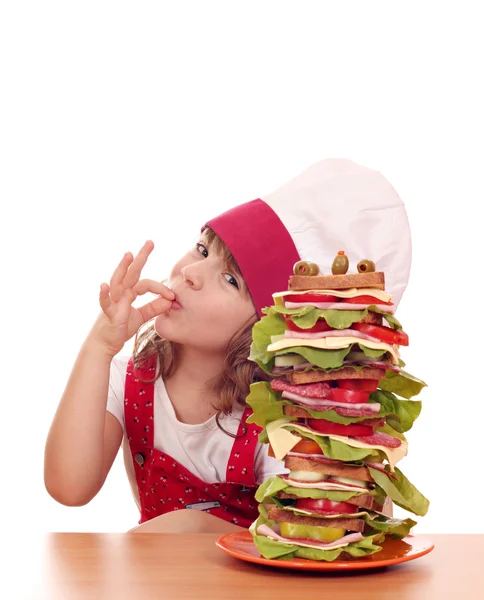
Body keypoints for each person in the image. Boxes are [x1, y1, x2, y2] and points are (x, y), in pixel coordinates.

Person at [44, 158, 411, 533]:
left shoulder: (282, 417)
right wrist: (99, 346)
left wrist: (193, 528)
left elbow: (321, 534)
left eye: (231, 280)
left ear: (266, 324)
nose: (190, 272)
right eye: (202, 250)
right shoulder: (130, 381)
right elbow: (69, 487)